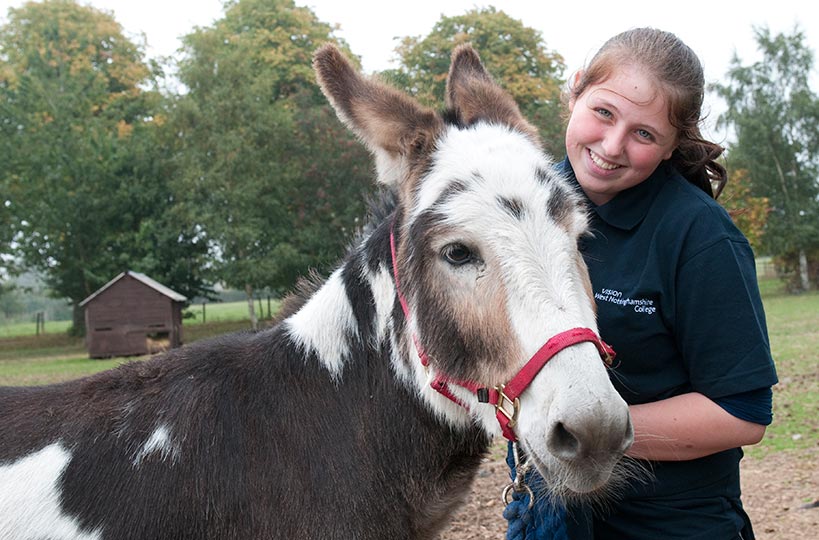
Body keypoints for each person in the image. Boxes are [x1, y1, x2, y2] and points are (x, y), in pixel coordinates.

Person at [504, 27, 778, 540]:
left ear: (675, 144)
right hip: (550, 514)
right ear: (577, 89)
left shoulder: (700, 237)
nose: (612, 146)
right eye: (603, 112)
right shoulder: (523, 208)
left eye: (644, 134)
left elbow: (741, 414)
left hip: (670, 524)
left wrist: (593, 430)